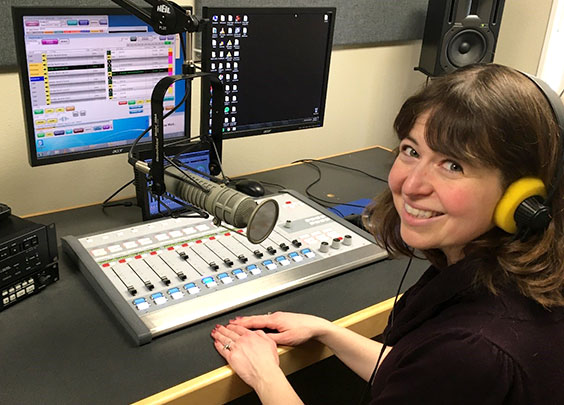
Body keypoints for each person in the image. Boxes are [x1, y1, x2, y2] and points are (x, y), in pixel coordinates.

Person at [210, 63, 564, 404]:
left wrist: (264, 375)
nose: (410, 185)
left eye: (453, 165)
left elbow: (447, 369)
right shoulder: (496, 277)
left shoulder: (476, 350)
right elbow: (418, 377)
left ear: (524, 197)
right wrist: (328, 331)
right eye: (411, 151)